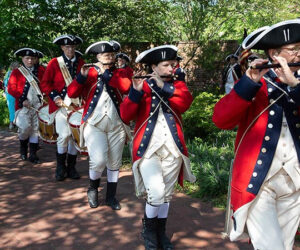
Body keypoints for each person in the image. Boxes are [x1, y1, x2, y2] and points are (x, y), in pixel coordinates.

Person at [213, 19, 300, 250]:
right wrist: (249, 82)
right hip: (259, 181)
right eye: (294, 49)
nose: (299, 53)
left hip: (295, 182)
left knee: (286, 243)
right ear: (274, 53)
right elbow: (221, 119)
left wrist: (294, 86)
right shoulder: (255, 83)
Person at [120, 45, 196, 250]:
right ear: (153, 66)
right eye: (167, 65)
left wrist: (163, 85)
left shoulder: (178, 85)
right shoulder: (141, 85)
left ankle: (160, 232)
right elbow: (126, 116)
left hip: (173, 147)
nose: (173, 68)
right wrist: (135, 92)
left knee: (167, 195)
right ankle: (148, 229)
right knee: (156, 191)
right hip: (148, 148)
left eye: (173, 64)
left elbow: (185, 103)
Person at [67, 40, 132, 210]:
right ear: (97, 56)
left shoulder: (121, 72)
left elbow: (126, 88)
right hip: (94, 123)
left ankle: (111, 196)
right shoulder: (88, 71)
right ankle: (93, 188)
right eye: (104, 55)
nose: (108, 57)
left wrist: (108, 74)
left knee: (114, 162)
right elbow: (72, 92)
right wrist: (81, 77)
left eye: (111, 54)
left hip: (117, 123)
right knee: (98, 160)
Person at [40, 34, 84, 181]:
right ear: (62, 47)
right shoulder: (54, 63)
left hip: (77, 105)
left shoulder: (81, 63)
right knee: (64, 135)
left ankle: (71, 167)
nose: (70, 49)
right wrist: (55, 97)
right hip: (61, 106)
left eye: (72, 46)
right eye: (67, 46)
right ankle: (60, 166)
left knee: (74, 137)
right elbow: (45, 83)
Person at [8, 48, 45, 163]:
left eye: (32, 58)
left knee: (35, 130)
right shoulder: (17, 72)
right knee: (24, 128)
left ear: (35, 59)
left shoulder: (41, 70)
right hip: (23, 105)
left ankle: (33, 155)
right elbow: (11, 88)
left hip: (37, 105)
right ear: (22, 59)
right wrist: (22, 99)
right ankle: (23, 148)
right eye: (27, 58)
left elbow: (45, 84)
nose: (29, 61)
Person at [3, 62, 19, 130]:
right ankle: (14, 123)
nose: (18, 67)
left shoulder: (7, 73)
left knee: (11, 108)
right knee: (16, 108)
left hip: (9, 93)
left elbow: (4, 84)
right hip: (13, 93)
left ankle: (11, 124)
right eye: (17, 66)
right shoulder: (15, 73)